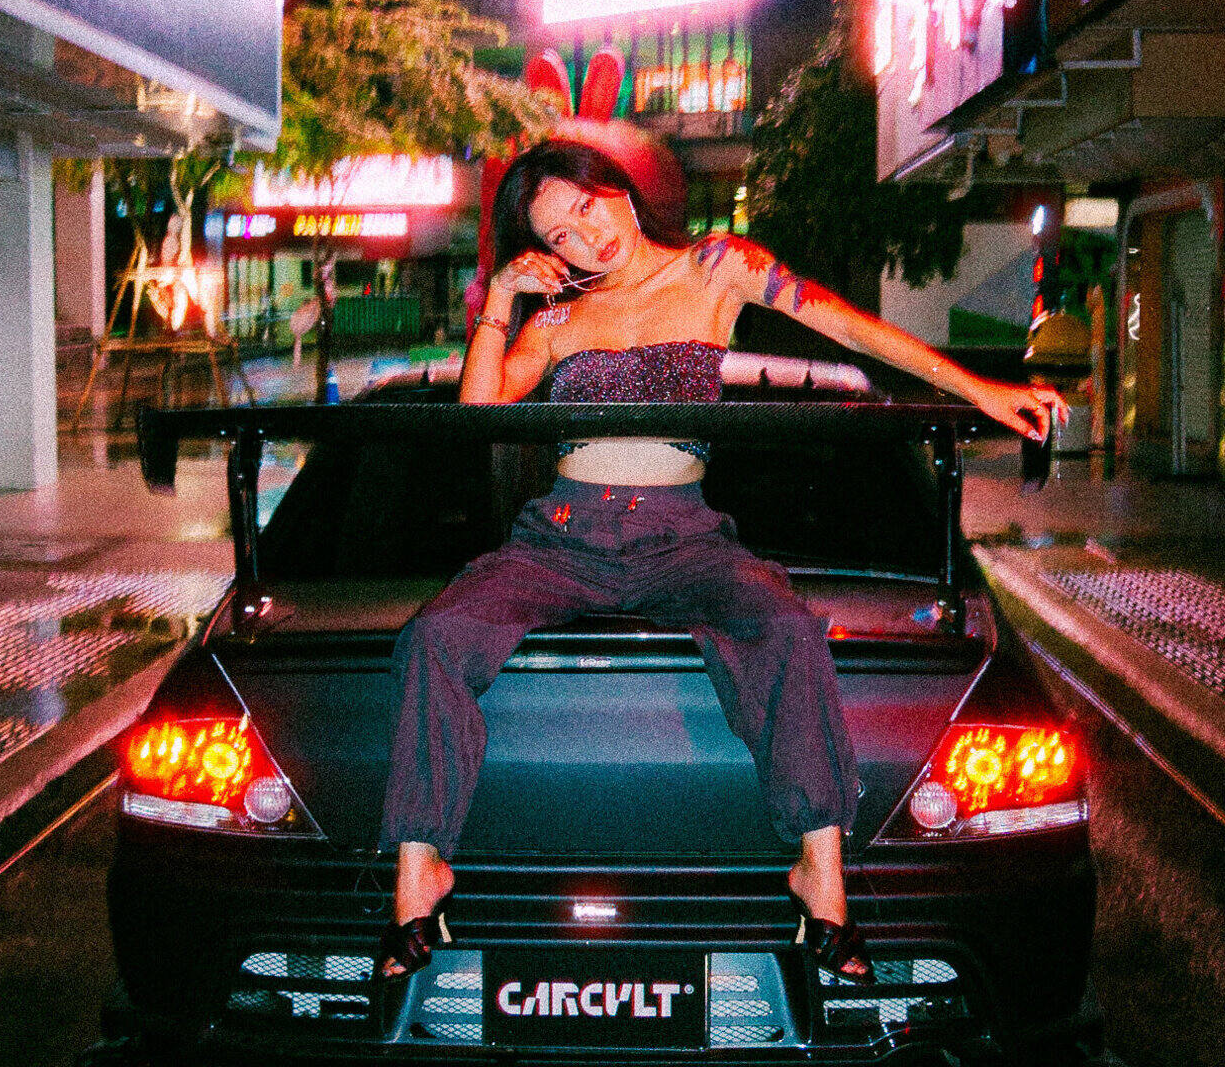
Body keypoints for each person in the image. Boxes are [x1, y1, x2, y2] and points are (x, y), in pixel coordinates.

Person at [377, 128, 1067, 985]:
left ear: (617, 189)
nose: (585, 237)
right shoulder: (555, 319)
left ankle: (819, 876)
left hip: (681, 536)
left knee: (784, 627)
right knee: (437, 635)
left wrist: (981, 390)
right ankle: (420, 871)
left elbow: (850, 329)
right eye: (558, 234)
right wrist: (500, 300)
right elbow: (478, 413)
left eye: (586, 207)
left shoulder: (716, 266)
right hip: (562, 534)